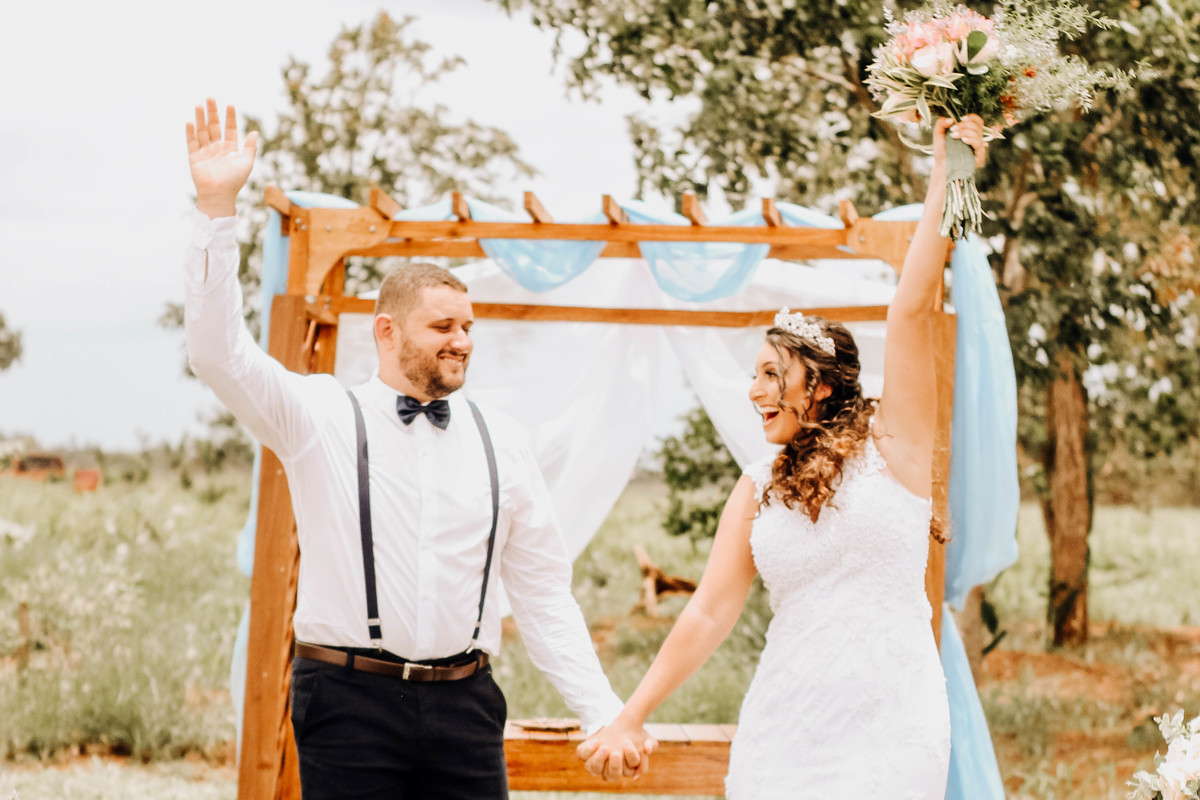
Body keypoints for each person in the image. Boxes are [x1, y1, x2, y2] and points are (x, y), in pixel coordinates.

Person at [182, 98, 651, 799]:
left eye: (468, 327)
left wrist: (602, 711)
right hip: (347, 700)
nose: (461, 341)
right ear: (387, 332)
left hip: (466, 703)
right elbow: (218, 354)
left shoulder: (502, 442)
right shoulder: (320, 416)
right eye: (442, 327)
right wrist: (218, 208)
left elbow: (544, 593)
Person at [576, 115, 989, 797]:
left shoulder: (897, 445)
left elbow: (910, 310)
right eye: (754, 375)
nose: (754, 391)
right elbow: (709, 611)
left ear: (819, 383)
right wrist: (631, 715)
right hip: (784, 726)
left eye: (772, 374)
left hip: (892, 727)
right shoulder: (757, 484)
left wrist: (947, 175)